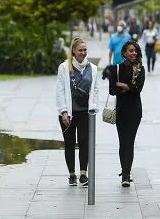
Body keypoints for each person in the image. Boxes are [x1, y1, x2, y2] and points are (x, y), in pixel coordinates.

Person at [56, 37, 99, 186]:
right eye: (80, 50)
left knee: (84, 142)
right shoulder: (64, 67)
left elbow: (95, 89)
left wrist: (93, 108)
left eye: (85, 50)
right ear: (73, 51)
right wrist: (63, 111)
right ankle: (71, 174)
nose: (83, 53)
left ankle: (83, 174)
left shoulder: (92, 68)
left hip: (85, 113)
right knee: (69, 143)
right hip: (69, 112)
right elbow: (60, 90)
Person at [108, 40, 145, 187]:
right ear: (124, 53)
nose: (134, 53)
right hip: (121, 111)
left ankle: (126, 173)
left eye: (135, 51)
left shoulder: (140, 69)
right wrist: (129, 87)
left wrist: (123, 85)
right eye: (131, 50)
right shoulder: (116, 69)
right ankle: (124, 171)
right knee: (123, 142)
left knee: (129, 142)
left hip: (135, 112)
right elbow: (112, 90)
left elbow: (138, 89)